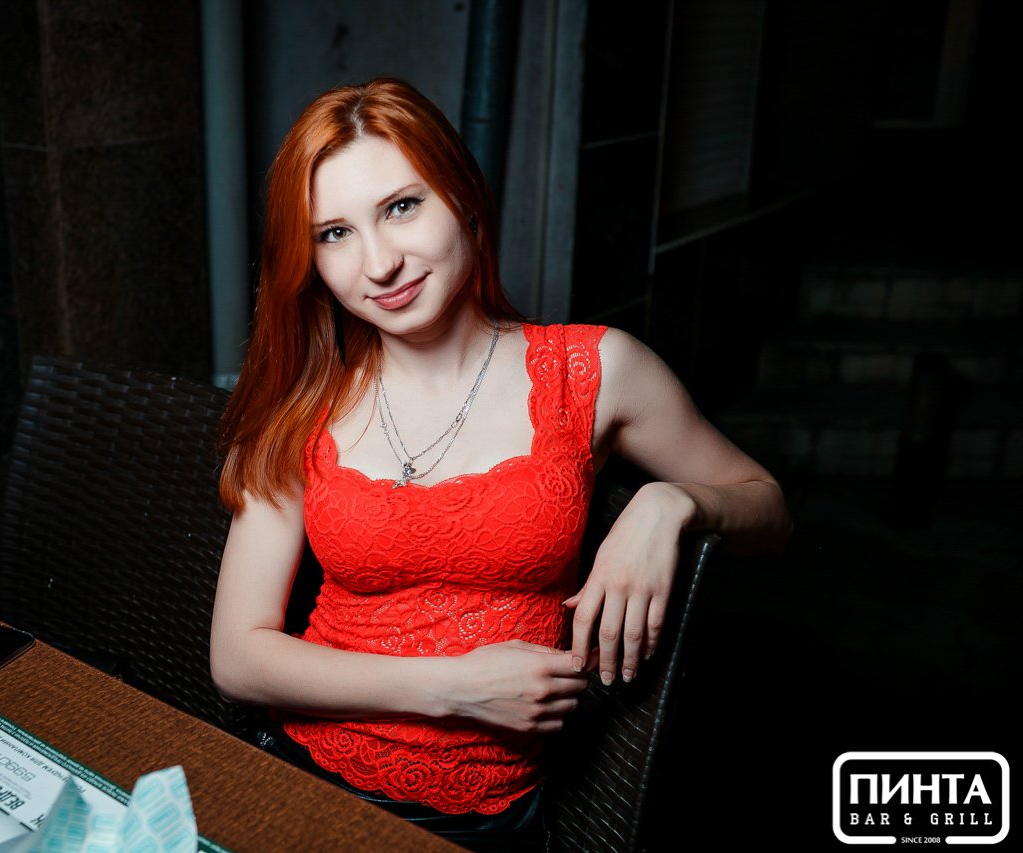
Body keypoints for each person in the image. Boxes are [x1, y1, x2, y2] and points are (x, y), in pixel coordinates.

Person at [210, 77, 791, 851]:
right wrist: (450, 687)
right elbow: (238, 656)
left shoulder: (592, 371)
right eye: (336, 233)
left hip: (474, 820)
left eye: (402, 206)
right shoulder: (305, 405)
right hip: (296, 769)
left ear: (464, 198)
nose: (380, 263)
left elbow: (769, 507)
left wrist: (671, 504)